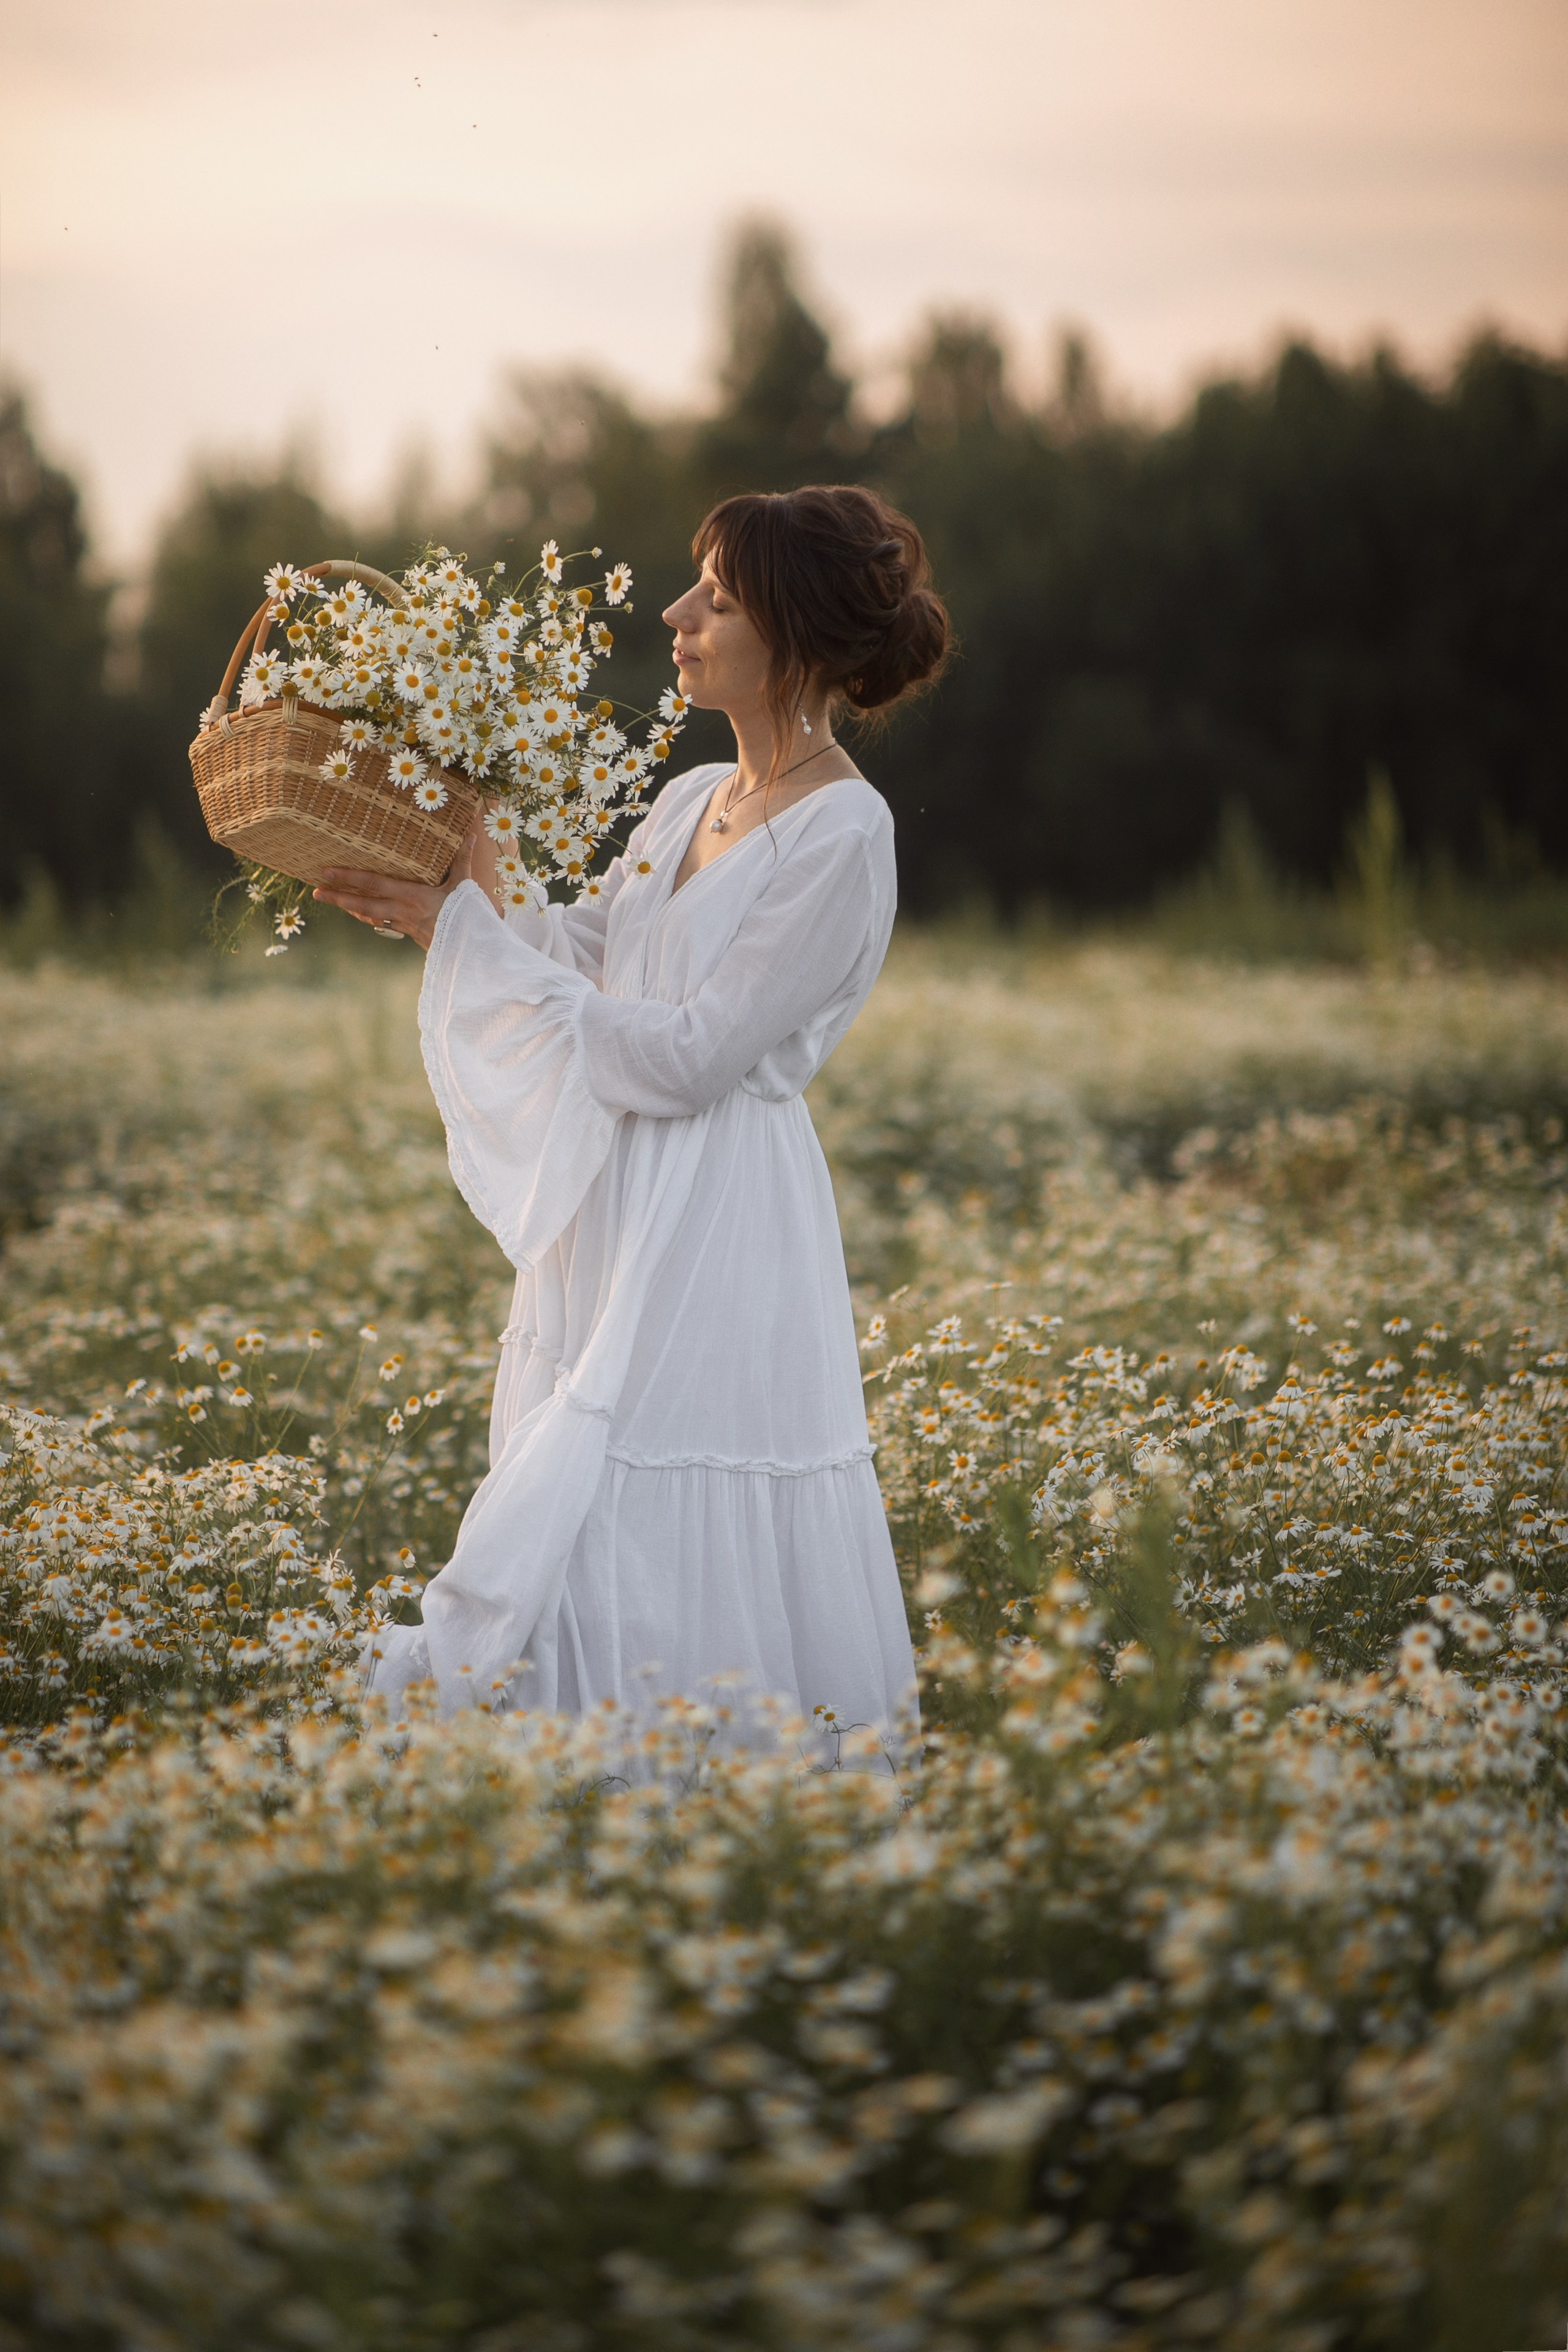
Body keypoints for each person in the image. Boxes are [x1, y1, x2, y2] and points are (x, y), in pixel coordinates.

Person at [314, 484, 949, 1768]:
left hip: (717, 1214)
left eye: (715, 595)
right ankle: (574, 1774)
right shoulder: (691, 797)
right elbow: (597, 960)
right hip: (616, 1198)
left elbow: (691, 1058)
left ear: (794, 627)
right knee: (580, 1470)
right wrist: (457, 906)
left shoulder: (845, 831)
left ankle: (697, 1782)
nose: (676, 613)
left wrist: (485, 944)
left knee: (646, 1467)